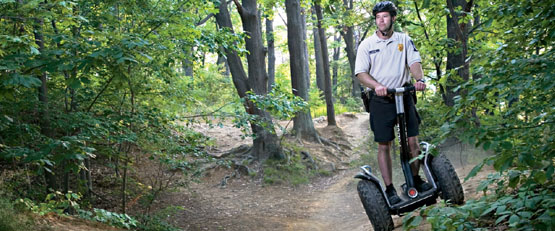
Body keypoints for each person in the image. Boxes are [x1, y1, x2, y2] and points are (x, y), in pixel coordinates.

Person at [354, 1, 431, 205]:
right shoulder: (367, 45)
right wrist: (377, 85)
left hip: (403, 94)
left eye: (385, 16)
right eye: (378, 17)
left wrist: (419, 80)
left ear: (393, 18)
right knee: (384, 145)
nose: (381, 20)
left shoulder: (403, 40)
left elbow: (414, 62)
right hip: (380, 100)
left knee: (412, 141)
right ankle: (390, 190)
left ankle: (415, 180)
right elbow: (361, 73)